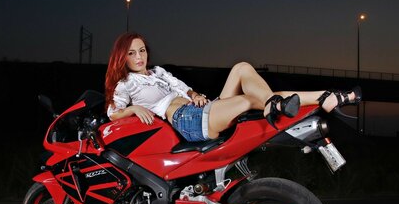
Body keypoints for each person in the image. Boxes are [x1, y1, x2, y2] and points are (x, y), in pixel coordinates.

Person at [105, 32, 360, 142]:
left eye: (141, 51)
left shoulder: (159, 72)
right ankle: (278, 104)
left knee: (241, 67)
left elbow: (182, 87)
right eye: (132, 53)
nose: (139, 57)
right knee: (253, 99)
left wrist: (195, 94)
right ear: (123, 57)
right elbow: (112, 112)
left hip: (204, 109)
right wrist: (134, 108)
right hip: (187, 121)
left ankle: (326, 97)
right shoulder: (125, 83)